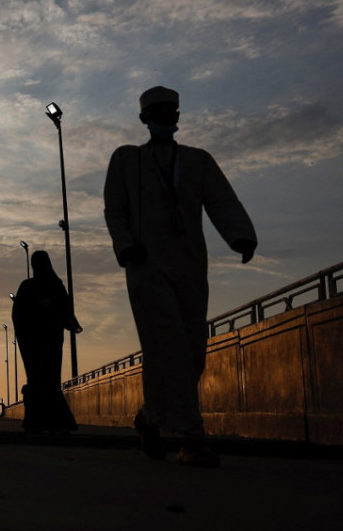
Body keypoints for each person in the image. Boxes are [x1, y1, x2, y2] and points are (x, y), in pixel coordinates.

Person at [104, 85, 257, 468]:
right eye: (157, 111)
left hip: (189, 265)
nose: (164, 117)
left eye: (170, 111)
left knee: (190, 352)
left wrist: (240, 236)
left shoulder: (197, 161)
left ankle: (149, 418)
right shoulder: (127, 160)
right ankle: (193, 438)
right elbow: (115, 209)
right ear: (144, 118)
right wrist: (126, 247)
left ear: (177, 116)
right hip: (147, 267)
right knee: (165, 346)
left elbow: (222, 200)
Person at [11, 250, 81, 434]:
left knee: (39, 379)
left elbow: (18, 316)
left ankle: (37, 422)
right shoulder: (54, 285)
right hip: (49, 341)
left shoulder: (28, 287)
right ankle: (56, 422)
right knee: (48, 380)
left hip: (35, 343)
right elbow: (66, 311)